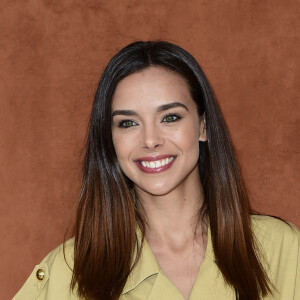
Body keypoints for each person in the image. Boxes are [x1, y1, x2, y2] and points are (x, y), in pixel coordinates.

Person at [13, 41, 299, 300]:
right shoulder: (68, 272)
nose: (150, 140)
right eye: (128, 123)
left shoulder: (283, 249)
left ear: (203, 126)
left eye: (170, 117)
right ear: (109, 139)